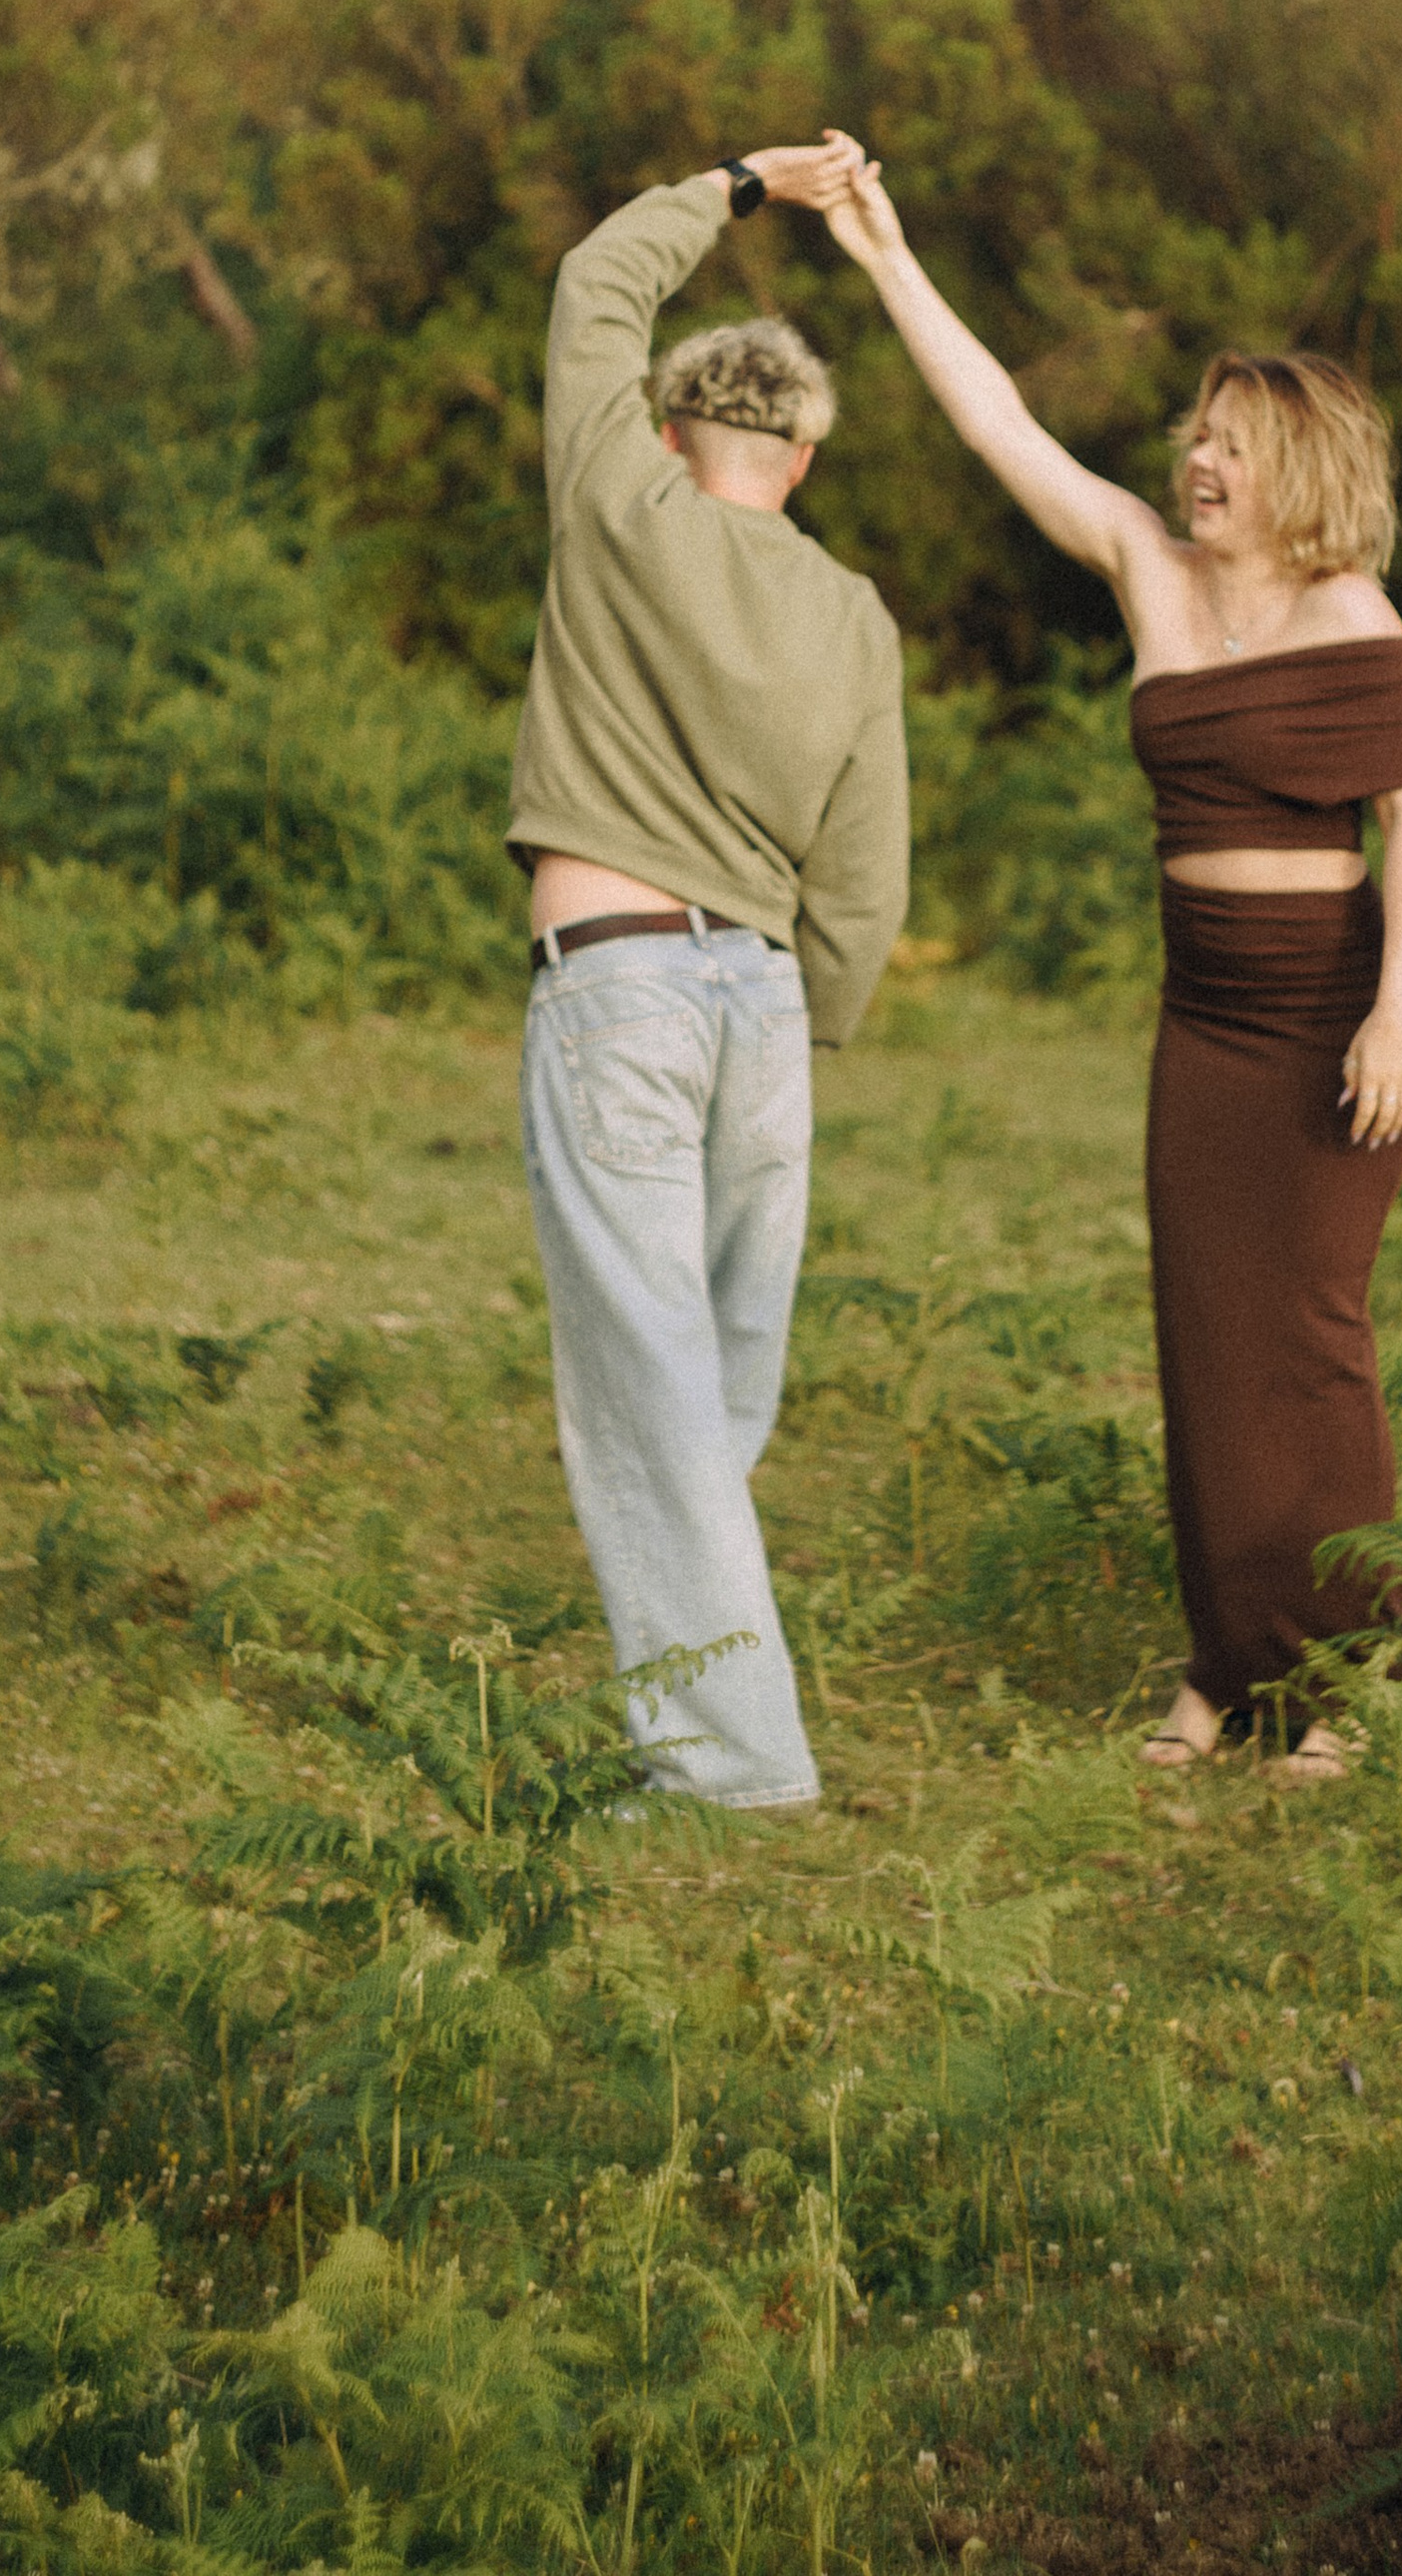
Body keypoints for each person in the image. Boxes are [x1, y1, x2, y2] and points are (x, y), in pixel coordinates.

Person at [820, 148, 1402, 1782]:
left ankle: (1352, 1678)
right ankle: (1232, 1673)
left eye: (1229, 440)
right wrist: (886, 250)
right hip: (1206, 1024)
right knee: (1204, 1340)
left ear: (1294, 461)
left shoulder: (1354, 615)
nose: (1197, 459)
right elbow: (997, 424)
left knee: (1309, 1336)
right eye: (1195, 434)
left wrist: (1399, 1012)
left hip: (1327, 1017)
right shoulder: (1143, 570)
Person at [507, 142, 909, 1810]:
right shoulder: (858, 618)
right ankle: (699, 1684)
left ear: (674, 430)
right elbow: (867, 884)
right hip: (763, 1010)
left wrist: (743, 182)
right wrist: (806, 1026)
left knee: (652, 1395)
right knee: (716, 1384)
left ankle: (731, 1767)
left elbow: (595, 284)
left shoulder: (617, 494)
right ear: (802, 458)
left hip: (614, 986)